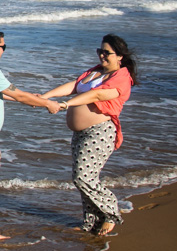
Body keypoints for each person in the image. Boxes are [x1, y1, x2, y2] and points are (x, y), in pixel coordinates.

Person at [0, 28, 63, 246]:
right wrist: (47, 103)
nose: (4, 51)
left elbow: (5, 95)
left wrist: (35, 98)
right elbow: (17, 94)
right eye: (3, 47)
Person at [42, 34, 136, 236]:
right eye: (99, 51)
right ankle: (91, 222)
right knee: (84, 177)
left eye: (107, 53)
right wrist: (46, 96)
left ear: (119, 56)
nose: (102, 55)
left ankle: (111, 211)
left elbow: (98, 95)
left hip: (100, 132)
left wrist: (65, 104)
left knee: (82, 177)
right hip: (81, 132)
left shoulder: (121, 78)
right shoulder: (95, 72)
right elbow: (74, 86)